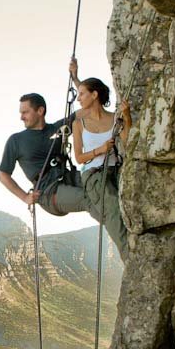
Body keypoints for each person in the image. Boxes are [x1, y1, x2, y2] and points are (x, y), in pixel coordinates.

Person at [69, 58, 130, 260]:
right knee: (112, 210)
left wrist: (127, 117)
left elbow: (127, 140)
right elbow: (79, 158)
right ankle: (129, 257)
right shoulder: (79, 123)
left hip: (114, 170)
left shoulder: (114, 118)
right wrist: (100, 150)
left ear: (94, 95)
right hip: (94, 174)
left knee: (123, 210)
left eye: (82, 94)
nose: (78, 99)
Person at [0, 93, 86, 217]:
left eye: (25, 112)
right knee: (93, 199)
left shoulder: (57, 129)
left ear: (40, 111)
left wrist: (76, 80)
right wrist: (25, 197)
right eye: (21, 113)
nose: (21, 117)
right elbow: (3, 176)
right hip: (48, 192)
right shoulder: (16, 140)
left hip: (68, 178)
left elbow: (87, 109)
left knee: (103, 186)